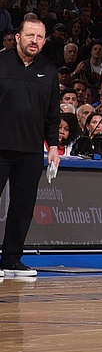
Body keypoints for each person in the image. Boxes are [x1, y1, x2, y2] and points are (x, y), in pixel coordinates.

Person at [0, 17, 57, 278]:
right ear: (17, 38)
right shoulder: (1, 62)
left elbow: (52, 114)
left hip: (31, 151)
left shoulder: (49, 69)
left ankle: (11, 260)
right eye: (30, 35)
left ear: (44, 41)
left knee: (22, 209)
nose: (34, 41)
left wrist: (53, 146)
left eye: (39, 37)